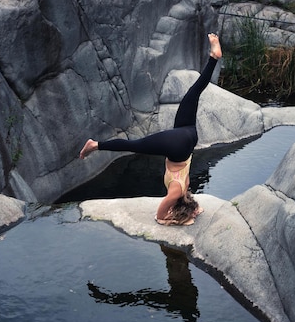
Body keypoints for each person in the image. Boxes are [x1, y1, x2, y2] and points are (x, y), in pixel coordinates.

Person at [79, 33, 222, 226]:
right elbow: (160, 216)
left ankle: (214, 58)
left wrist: (192, 210)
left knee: (194, 92)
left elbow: (190, 204)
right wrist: (172, 218)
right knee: (134, 145)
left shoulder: (184, 188)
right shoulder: (176, 192)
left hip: (188, 134)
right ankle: (95, 145)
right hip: (178, 146)